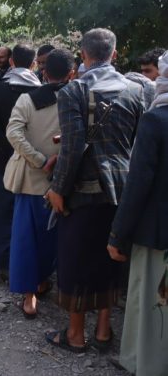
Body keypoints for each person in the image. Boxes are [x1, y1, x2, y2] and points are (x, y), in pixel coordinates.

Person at [44, 28, 144, 354]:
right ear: (114, 54)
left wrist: (57, 189)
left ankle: (75, 334)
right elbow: (136, 145)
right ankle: (103, 330)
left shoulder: (73, 91)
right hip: (123, 190)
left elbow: (73, 148)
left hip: (83, 190)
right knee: (109, 258)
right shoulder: (135, 91)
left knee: (75, 259)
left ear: (83, 55)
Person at [108, 50, 168, 375]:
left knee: (151, 301)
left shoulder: (156, 120)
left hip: (157, 233)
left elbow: (138, 183)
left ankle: (145, 364)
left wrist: (118, 234)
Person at [5, 48, 75, 318]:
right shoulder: (79, 99)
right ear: (71, 73)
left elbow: (13, 133)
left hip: (31, 180)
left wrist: (39, 159)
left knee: (26, 239)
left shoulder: (28, 99)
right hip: (66, 181)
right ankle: (48, 283)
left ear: (44, 72)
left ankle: (29, 297)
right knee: (55, 239)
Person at [0, 44, 42, 272]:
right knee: (27, 216)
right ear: (34, 63)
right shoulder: (41, 91)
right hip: (33, 161)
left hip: (2, 159)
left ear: (11, 62)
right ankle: (25, 264)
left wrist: (10, 148)